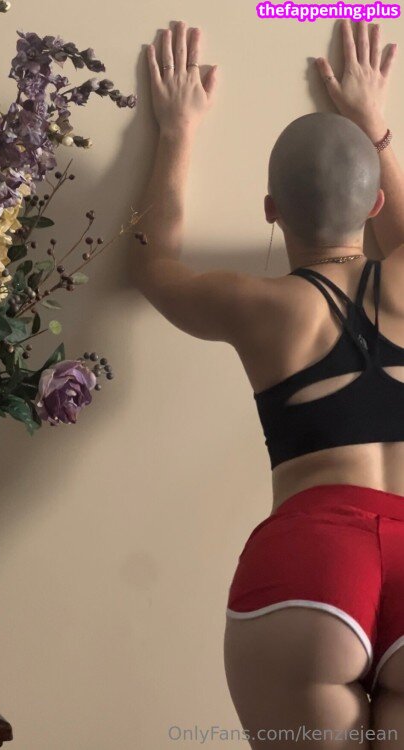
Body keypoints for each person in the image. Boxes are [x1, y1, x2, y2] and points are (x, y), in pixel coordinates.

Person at [127, 17, 404, 749]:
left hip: (312, 561)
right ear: (375, 204)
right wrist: (373, 123)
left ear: (271, 211)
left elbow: (154, 265)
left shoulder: (258, 306)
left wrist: (177, 132)